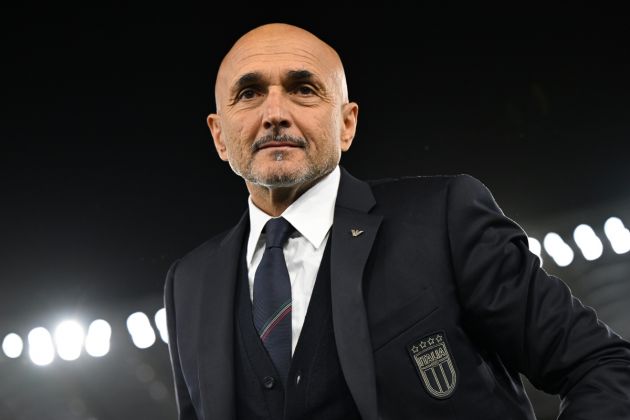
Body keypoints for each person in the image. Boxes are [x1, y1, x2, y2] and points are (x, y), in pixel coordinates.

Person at [164, 23, 630, 420]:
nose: (274, 114)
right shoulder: (189, 283)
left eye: (303, 89)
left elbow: (602, 364)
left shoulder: (443, 217)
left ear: (346, 125)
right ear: (219, 135)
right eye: (249, 93)